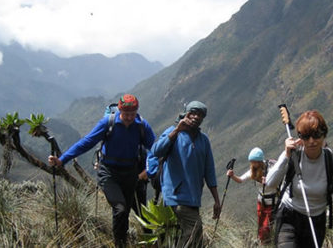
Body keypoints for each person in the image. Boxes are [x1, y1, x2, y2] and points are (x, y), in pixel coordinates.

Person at [48, 94, 156, 247]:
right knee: (120, 208)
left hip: (130, 173)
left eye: (132, 114)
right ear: (119, 110)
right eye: (126, 114)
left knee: (123, 213)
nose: (129, 118)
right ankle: (119, 244)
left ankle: (122, 242)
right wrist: (62, 159)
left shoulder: (141, 126)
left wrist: (149, 170)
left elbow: (155, 149)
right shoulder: (108, 123)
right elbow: (87, 142)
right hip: (109, 172)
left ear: (137, 111)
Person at [265, 110, 333, 247]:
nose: (312, 141)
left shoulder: (331, 161)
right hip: (289, 217)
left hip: (316, 222)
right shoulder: (293, 155)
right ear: (300, 137)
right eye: (306, 137)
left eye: (316, 135)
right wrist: (286, 155)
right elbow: (270, 184)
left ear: (324, 135)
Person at [151, 101, 221, 248]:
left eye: (200, 115)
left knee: (183, 236)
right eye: (193, 113)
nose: (196, 117)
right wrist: (176, 130)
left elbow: (209, 171)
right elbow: (156, 151)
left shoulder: (204, 140)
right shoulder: (173, 132)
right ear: (186, 113)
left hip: (194, 198)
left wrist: (216, 200)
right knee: (195, 231)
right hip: (176, 196)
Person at [226, 147, 277, 245]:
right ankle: (264, 243)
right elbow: (240, 180)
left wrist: (269, 182)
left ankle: (264, 243)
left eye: (254, 161)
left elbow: (279, 182)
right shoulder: (253, 170)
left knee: (266, 227)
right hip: (261, 202)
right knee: (261, 226)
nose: (252, 164)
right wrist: (232, 176)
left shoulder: (271, 169)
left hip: (272, 203)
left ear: (259, 161)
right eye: (251, 161)